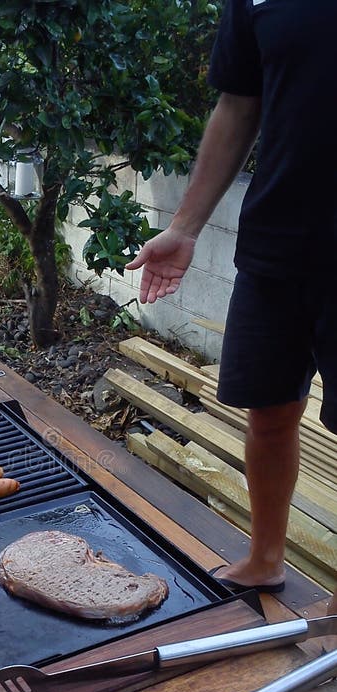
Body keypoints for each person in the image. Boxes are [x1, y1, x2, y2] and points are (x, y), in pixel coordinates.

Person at [126, 0, 336, 614]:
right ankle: (266, 558)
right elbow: (239, 102)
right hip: (277, 238)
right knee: (268, 411)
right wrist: (186, 226)